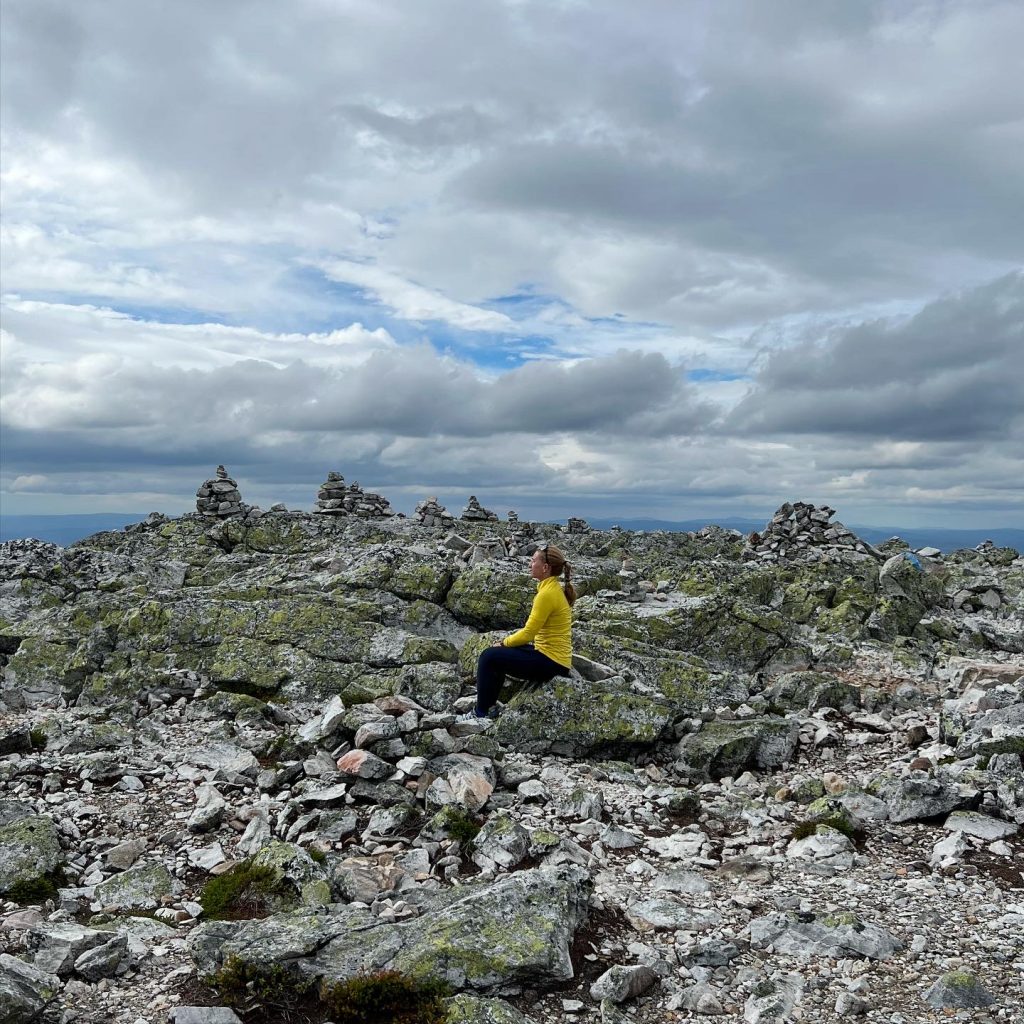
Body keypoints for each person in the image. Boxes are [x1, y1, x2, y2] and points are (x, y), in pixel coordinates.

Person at [457, 542, 576, 722]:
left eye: (533, 560)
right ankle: (489, 707)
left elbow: (528, 633)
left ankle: (480, 714)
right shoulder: (552, 589)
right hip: (553, 657)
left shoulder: (546, 594)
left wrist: (504, 642)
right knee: (498, 656)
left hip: (551, 662)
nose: (530, 564)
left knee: (489, 657)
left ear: (545, 568)